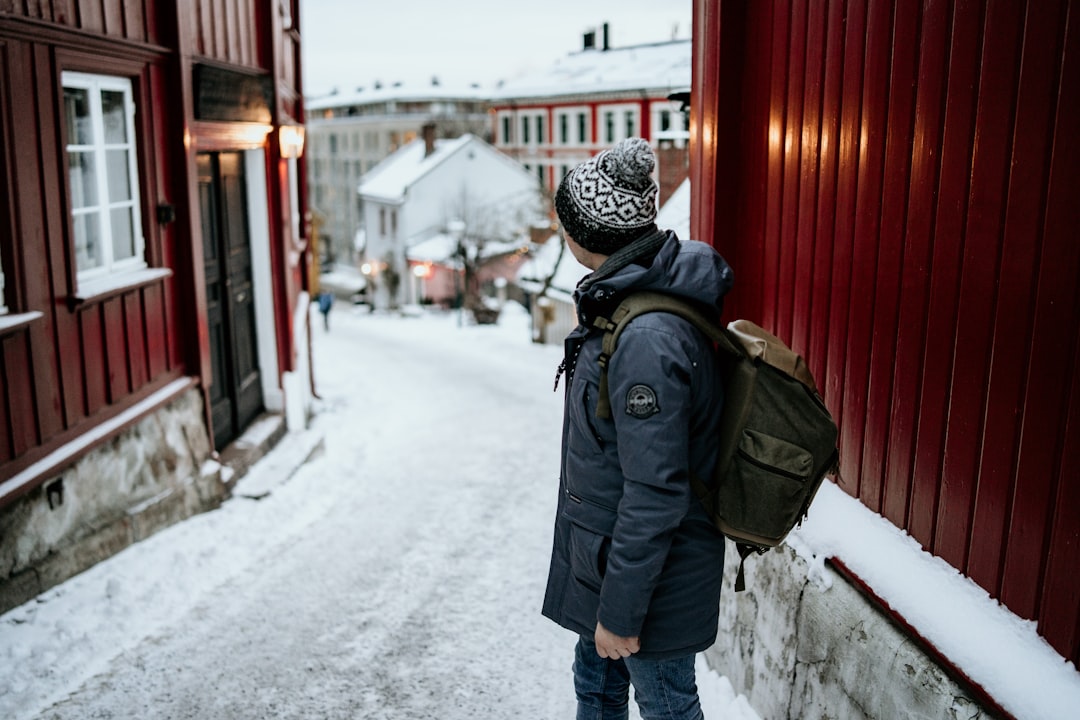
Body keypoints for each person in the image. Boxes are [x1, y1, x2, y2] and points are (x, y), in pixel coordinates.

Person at [543, 137, 734, 720]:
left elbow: (656, 494)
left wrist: (620, 614)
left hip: (647, 586)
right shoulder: (623, 301)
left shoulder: (647, 339)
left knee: (666, 705)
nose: (561, 234)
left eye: (566, 223)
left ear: (591, 236)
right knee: (596, 688)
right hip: (613, 568)